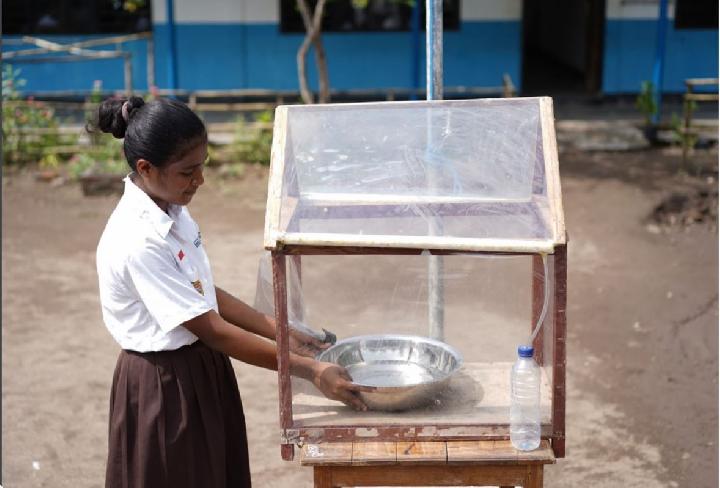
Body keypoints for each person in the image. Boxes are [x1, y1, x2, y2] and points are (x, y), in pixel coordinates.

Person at [94, 96, 369, 488]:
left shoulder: (171, 207)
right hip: (164, 384)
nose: (199, 181)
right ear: (145, 168)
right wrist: (309, 369)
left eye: (202, 167)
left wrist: (280, 329)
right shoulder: (137, 238)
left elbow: (203, 293)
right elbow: (212, 327)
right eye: (188, 172)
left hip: (202, 370)